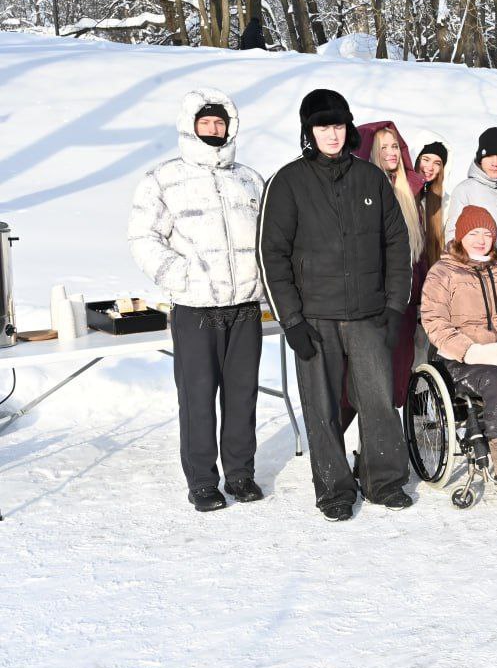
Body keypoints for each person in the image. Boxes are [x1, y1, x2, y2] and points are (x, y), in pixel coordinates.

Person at [257, 88, 412, 521]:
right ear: (309, 131)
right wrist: (291, 320)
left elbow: (396, 244)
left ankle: (384, 480)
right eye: (323, 126)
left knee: (378, 401)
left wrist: (395, 307)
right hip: (315, 317)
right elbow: (272, 255)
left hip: (367, 315)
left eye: (339, 125)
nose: (332, 133)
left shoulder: (370, 179)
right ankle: (333, 488)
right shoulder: (287, 182)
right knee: (322, 407)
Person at [128, 89, 265, 513]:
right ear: (191, 126)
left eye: (219, 123)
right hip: (194, 307)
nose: (213, 129)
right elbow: (143, 236)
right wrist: (179, 275)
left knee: (242, 396)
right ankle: (203, 481)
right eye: (205, 123)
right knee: (198, 396)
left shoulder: (249, 179)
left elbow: (268, 237)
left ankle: (240, 474)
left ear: (230, 126)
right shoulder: (163, 179)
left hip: (245, 306)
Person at [420, 206, 497, 480]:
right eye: (474, 232)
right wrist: (471, 351)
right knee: (494, 380)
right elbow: (434, 322)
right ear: (460, 236)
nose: (481, 239)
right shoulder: (442, 273)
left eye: (487, 233)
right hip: (462, 359)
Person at [354, 121, 434, 407]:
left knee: (400, 376)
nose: (391, 153)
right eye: (383, 147)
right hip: (374, 304)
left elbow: (419, 255)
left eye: (395, 147)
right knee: (371, 382)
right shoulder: (361, 193)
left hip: (407, 302)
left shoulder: (409, 194)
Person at [443, 126, 497, 256]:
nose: (495, 163)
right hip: (482, 270)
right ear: (480, 158)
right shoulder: (465, 190)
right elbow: (452, 237)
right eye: (489, 156)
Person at [412, 139, 447, 267]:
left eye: (437, 163)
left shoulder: (445, 201)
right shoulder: (401, 194)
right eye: (426, 159)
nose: (430, 167)